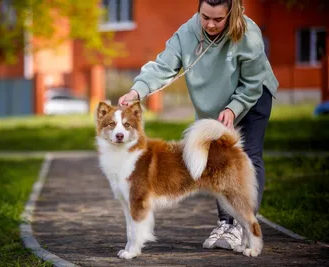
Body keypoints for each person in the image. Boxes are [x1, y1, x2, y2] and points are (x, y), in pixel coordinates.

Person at [118, 0, 279, 250]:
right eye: (205, 17)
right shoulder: (187, 33)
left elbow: (252, 83)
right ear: (198, 11)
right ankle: (226, 223)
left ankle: (241, 223)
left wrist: (233, 108)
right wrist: (137, 91)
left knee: (247, 155)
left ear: (231, 14)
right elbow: (162, 67)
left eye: (218, 19)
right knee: (211, 156)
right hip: (213, 99)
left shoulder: (249, 34)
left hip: (253, 95)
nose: (210, 24)